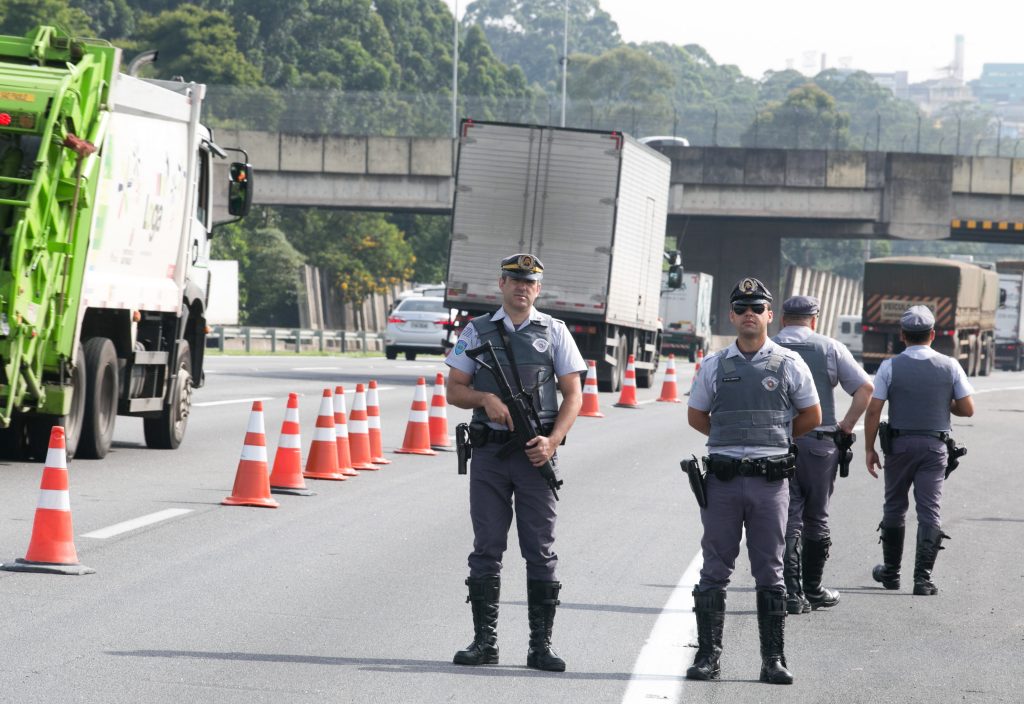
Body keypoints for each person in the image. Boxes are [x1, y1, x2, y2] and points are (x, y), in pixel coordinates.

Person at [445, 253, 586, 672]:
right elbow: (455, 389)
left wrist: (553, 441)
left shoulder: (555, 332)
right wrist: (485, 398)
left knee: (540, 551)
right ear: (501, 284)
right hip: (489, 454)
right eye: (514, 280)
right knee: (486, 548)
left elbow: (573, 396)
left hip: (534, 453)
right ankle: (484, 642)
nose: (522, 287)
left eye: (529, 282)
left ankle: (540, 647)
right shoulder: (476, 330)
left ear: (538, 289)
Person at [686, 277, 821, 685]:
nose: (749, 314)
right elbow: (697, 416)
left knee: (770, 570)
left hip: (769, 483)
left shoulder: (789, 363)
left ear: (769, 316)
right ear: (732, 315)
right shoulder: (713, 364)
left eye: (756, 308)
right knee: (714, 569)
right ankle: (708, 657)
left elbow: (811, 415)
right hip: (725, 482)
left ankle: (773, 659)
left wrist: (773, 440)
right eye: (741, 308)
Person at [773, 296, 874, 615]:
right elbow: (865, 389)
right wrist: (846, 425)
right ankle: (813, 589)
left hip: (774, 444)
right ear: (814, 320)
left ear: (781, 320)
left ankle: (790, 592)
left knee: (786, 517)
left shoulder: (767, 346)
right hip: (819, 444)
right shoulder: (829, 347)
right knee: (816, 516)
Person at [864, 305, 974, 596]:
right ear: (933, 335)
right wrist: (942, 404)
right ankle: (922, 580)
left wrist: (869, 449)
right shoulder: (950, 365)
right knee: (929, 510)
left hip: (899, 446)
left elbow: (874, 411)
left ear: (902, 335)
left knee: (894, 506)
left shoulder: (890, 366)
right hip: (934, 447)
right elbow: (967, 408)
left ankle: (891, 573)